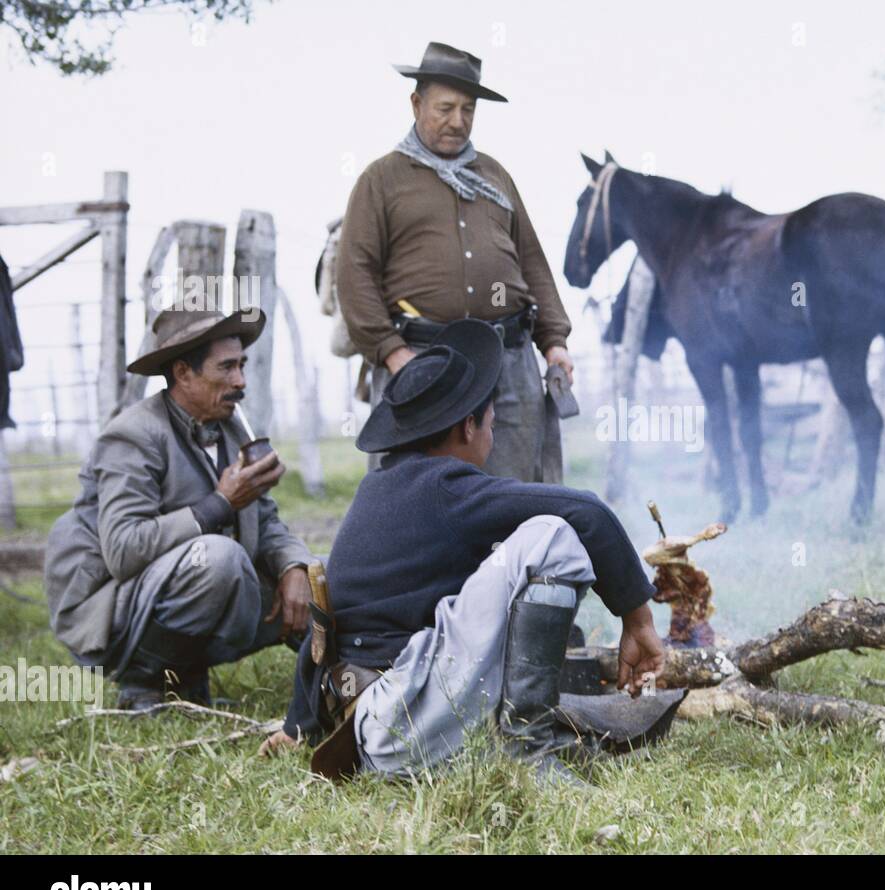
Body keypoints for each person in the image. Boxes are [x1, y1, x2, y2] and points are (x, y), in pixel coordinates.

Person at [263, 320, 667, 781]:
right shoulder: (445, 487)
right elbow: (588, 512)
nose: (492, 438)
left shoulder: (375, 489)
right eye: (491, 424)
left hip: (368, 728)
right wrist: (639, 621)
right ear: (468, 426)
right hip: (406, 725)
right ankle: (528, 747)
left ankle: (521, 733)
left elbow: (325, 620)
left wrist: (299, 725)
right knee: (553, 535)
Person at [44, 306, 312, 709]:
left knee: (328, 575)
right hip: (113, 611)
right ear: (184, 373)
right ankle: (144, 686)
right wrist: (221, 503)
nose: (240, 381)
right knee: (219, 559)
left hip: (194, 585)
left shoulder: (232, 425)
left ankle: (335, 683)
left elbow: (265, 519)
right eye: (226, 368)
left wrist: (295, 567)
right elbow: (122, 550)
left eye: (241, 365)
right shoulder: (132, 436)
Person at [337, 41, 572, 481]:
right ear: (416, 103)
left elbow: (533, 265)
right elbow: (355, 276)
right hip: (424, 359)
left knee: (515, 490)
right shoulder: (381, 179)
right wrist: (394, 354)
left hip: (509, 357)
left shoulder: (495, 176)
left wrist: (554, 341)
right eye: (445, 108)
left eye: (468, 110)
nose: (457, 121)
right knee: (418, 491)